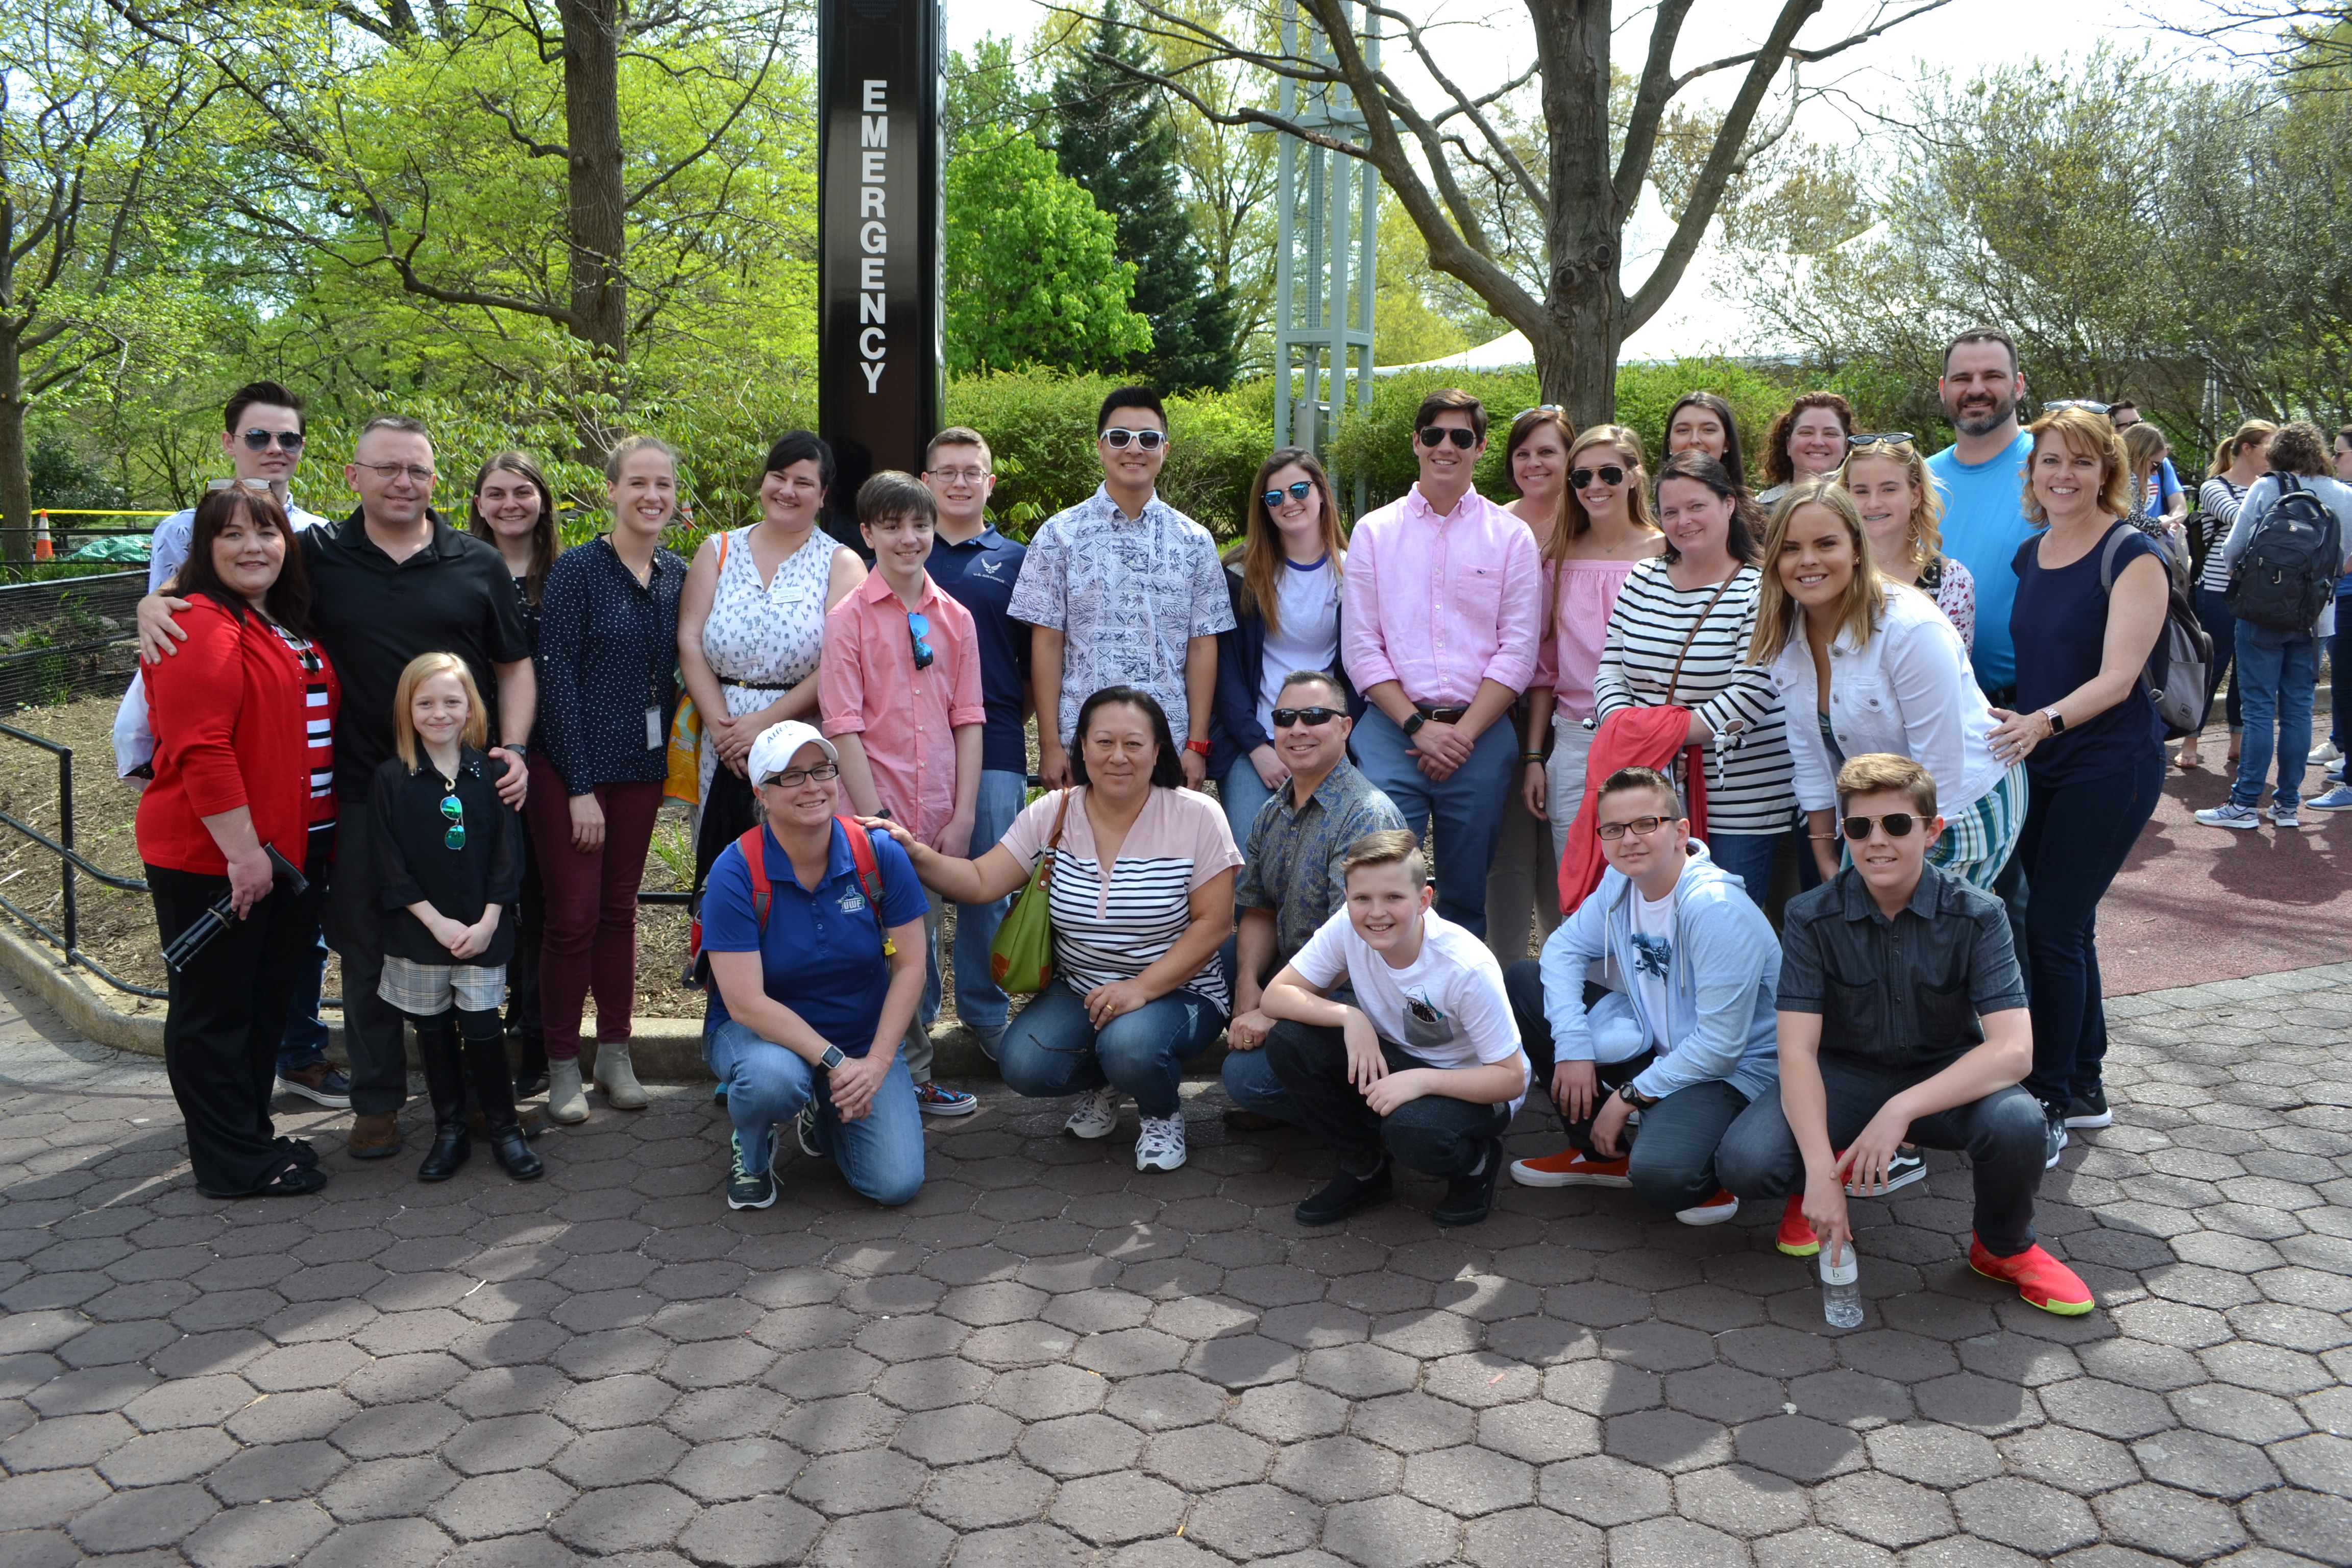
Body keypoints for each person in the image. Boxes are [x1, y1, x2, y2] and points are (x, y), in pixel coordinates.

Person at [139, 415, 535, 1162]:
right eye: (387, 468)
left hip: (463, 789)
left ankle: (480, 1100)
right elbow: (228, 573)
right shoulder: (315, 554)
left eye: (417, 470)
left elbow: (514, 665)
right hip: (356, 794)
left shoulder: (477, 561)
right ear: (354, 476)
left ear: (434, 480)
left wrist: (511, 748)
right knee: (366, 947)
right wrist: (155, 600)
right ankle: (378, 1103)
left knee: (475, 939)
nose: (403, 483)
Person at [1714, 753, 2093, 1316]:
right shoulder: (1810, 916)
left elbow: (2015, 1052)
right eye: (1858, 827)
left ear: (1932, 830)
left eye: (1896, 824)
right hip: (1844, 1075)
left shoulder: (1978, 914)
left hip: (1941, 1074)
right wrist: (1820, 1175)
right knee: (1745, 1162)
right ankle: (1817, 1184)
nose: (1877, 841)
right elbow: (1796, 1052)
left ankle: (2003, 1248)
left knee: (2020, 1124)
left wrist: (1900, 1110)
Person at [883, 687, 1239, 1173]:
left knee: (1130, 1045)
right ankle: (1108, 1082)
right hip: (1082, 990)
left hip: (1181, 990)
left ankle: (1161, 1114)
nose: (1118, 756)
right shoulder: (1055, 811)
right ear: (1083, 748)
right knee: (1024, 1063)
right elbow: (983, 880)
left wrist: (1140, 989)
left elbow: (1215, 924)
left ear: (1158, 752)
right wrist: (914, 852)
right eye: (1104, 742)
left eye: (1134, 744)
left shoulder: (1197, 815)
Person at [116, 382, 342, 1113]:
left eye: (289, 438)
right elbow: (175, 614)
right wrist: (152, 604)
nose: (275, 450)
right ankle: (232, 1137)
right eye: (259, 437)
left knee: (286, 956)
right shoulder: (188, 539)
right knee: (221, 995)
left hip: (299, 802)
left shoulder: (318, 533)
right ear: (228, 441)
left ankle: (286, 1071)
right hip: (225, 817)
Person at [137, 485, 339, 1198]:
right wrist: (243, 853)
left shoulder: (274, 618)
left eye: (267, 532)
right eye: (232, 535)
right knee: (215, 1014)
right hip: (217, 858)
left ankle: (250, 1138)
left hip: (283, 852)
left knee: (259, 1006)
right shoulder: (199, 623)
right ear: (205, 548)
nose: (253, 546)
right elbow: (202, 747)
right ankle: (231, 1166)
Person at [1989, 406, 2169, 1163]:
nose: (2064, 475)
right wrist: (2017, 717)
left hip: (2111, 765)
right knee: (2067, 926)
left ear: (2107, 472)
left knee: (2052, 929)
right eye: (2051, 461)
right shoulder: (2031, 553)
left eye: (2082, 462)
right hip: (2042, 761)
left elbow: (2119, 677)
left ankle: (2051, 1096)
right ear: (2032, 472)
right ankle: (2086, 1082)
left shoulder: (2133, 553)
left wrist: (2042, 721)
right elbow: (2040, 661)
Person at [1500, 767, 1778, 1222]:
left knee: (1663, 1177)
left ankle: (1707, 1167)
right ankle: (1598, 1155)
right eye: (1614, 829)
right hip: (1659, 1041)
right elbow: (1563, 949)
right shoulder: (1621, 882)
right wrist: (1572, 1046)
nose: (1629, 840)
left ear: (1680, 832)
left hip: (1732, 1074)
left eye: (1646, 824)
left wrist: (1628, 1097)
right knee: (1525, 981)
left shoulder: (1715, 909)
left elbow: (1720, 1048)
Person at [1753, 478, 2022, 891]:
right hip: (1879, 818)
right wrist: (1825, 854)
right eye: (1790, 548)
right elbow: (1809, 755)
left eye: (1826, 544)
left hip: (1959, 807)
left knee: (1919, 928)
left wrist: (1896, 881)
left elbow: (1940, 768)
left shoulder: (1910, 628)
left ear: (1857, 550)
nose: (1807, 560)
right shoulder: (1786, 634)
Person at [702, 722, 928, 1211]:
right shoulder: (735, 871)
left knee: (896, 1183)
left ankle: (823, 1112)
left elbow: (912, 966)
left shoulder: (878, 852)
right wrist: (836, 1063)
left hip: (860, 1038)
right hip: (763, 1038)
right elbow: (746, 1003)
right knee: (772, 1081)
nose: (812, 786)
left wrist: (875, 1066)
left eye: (821, 770)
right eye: (791, 776)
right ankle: (753, 1148)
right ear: (761, 793)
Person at [1342, 388, 1542, 936]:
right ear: (1416, 442)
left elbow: (1518, 649)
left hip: (1480, 737)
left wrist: (1460, 736)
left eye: (1461, 437)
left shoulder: (1511, 537)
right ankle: (1382, 990)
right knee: (1382, 885)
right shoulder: (1374, 532)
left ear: (1481, 447)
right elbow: (1361, 647)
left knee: (1466, 895)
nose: (1446, 447)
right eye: (1434, 435)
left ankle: (1456, 991)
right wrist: (1418, 728)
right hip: (1392, 733)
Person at [527, 436, 686, 1122]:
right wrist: (578, 786)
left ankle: (615, 1055)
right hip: (572, 771)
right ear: (612, 490)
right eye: (638, 483)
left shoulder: (678, 574)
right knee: (572, 919)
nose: (652, 495)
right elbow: (555, 678)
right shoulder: (577, 571)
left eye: (663, 485)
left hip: (642, 769)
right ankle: (562, 1063)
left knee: (620, 913)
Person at [1261, 830, 1531, 1228]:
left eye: (1393, 898)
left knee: (1411, 1130)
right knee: (1290, 1040)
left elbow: (1511, 1079)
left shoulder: (1466, 966)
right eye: (1362, 899)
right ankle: (1364, 1170)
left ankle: (1477, 1163)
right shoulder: (1348, 926)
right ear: (1347, 898)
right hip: (1399, 1060)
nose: (1376, 913)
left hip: (1474, 1084)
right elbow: (1275, 996)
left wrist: (1422, 1081)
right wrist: (1350, 1017)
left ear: (1424, 900)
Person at [819, 470, 985, 1118]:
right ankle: (890, 1076)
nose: (908, 538)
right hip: (869, 816)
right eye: (891, 527)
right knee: (872, 947)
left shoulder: (957, 618)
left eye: (919, 525)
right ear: (867, 534)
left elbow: (968, 717)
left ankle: (908, 1076)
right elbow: (842, 725)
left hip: (937, 814)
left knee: (920, 945)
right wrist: (875, 819)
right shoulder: (848, 619)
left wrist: (963, 814)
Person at [1590, 451, 1792, 904]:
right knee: (1655, 920)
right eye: (1671, 512)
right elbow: (1610, 668)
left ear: (1729, 504)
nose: (1684, 521)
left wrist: (1656, 742)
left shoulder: (1763, 589)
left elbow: (1751, 692)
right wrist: (1637, 744)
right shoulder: (1642, 578)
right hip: (1651, 794)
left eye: (1697, 506)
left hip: (1738, 801)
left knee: (1724, 920)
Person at [1010, 387, 1233, 792]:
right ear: (1100, 447)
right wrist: (1050, 745)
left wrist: (1197, 744)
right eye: (1119, 437)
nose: (1134, 449)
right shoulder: (1059, 535)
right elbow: (1047, 643)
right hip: (1082, 741)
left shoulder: (1195, 541)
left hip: (1167, 741)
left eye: (1148, 438)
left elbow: (1203, 645)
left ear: (1165, 449)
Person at [371, 654, 540, 1183]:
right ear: (407, 710)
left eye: (451, 701)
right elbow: (389, 864)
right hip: (422, 931)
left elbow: (508, 857)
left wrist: (489, 921)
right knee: (433, 1028)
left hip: (482, 929)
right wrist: (435, 922)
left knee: (484, 1025)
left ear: (471, 708)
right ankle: (450, 1131)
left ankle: (505, 1128)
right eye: (425, 703)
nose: (439, 713)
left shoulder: (493, 774)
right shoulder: (391, 779)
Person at [677, 431, 866, 894]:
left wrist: (762, 724)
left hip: (801, 737)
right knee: (722, 867)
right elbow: (690, 639)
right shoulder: (718, 549)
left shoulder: (841, 564)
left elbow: (839, 663)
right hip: (721, 738)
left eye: (803, 482)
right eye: (778, 477)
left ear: (823, 495)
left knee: (794, 867)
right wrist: (723, 731)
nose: (787, 490)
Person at [1221, 669, 1407, 1130]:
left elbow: (1355, 943)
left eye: (1315, 716)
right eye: (1285, 718)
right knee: (1214, 959)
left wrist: (1272, 1010)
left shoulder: (1366, 815)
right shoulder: (1272, 811)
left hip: (1361, 994)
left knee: (1247, 1081)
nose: (1298, 728)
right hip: (1298, 972)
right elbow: (1260, 907)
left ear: (1345, 727)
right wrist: (1248, 984)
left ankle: (1371, 1120)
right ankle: (1309, 1093)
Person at [1520, 424, 1666, 912]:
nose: (1594, 486)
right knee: (1580, 889)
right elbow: (1545, 670)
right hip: (1575, 740)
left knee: (1654, 882)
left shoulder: (1666, 552)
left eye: (1609, 473)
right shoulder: (1556, 559)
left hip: (1650, 738)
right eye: (1582, 477)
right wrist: (1535, 756)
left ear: (1634, 475)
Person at [918, 427, 1031, 1059]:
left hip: (997, 744)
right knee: (916, 890)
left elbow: (1036, 663)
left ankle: (985, 1014)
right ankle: (916, 1019)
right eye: (947, 472)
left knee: (989, 888)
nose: (959, 483)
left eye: (972, 472)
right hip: (913, 748)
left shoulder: (1019, 560)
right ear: (927, 481)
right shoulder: (904, 550)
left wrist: (1006, 716)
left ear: (990, 483)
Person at [2197, 421, 2352, 831]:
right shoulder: (2344, 495)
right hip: (2315, 618)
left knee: (2259, 708)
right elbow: (2346, 560)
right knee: (2299, 709)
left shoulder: (2268, 488)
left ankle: (2245, 803)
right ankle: (2287, 806)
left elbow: (2233, 551)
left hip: (2262, 612)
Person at [466, 452, 564, 1096]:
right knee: (488, 894)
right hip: (474, 757)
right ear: (477, 503)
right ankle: (483, 1032)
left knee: (542, 901)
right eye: (496, 493)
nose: (510, 504)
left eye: (522, 491)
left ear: (543, 500)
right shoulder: (458, 569)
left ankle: (536, 1033)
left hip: (550, 757)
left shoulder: (567, 574)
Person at [1211, 448, 1352, 852]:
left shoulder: (1352, 572)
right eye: (1275, 497)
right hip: (1257, 742)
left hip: (1327, 740)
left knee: (1327, 863)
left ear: (1321, 492)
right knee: (1251, 866)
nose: (1289, 502)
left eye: (1299, 490)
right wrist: (1257, 748)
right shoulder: (1241, 576)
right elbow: (1225, 672)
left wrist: (1341, 742)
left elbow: (1359, 669)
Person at [1485, 407, 1575, 963]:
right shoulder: (1494, 527)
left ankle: (1566, 975)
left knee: (1567, 851)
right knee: (1510, 850)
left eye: (1547, 452)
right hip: (1505, 707)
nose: (1534, 463)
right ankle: (1507, 976)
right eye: (1523, 453)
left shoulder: (1591, 525)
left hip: (1581, 710)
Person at [1926, 328, 2035, 704]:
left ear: (2018, 385)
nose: (1976, 389)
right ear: (1943, 389)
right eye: (1962, 379)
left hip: (2030, 706)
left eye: (1992, 376)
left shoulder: (2054, 469)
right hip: (1933, 703)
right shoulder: (1917, 481)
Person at [2182, 421, 2273, 773]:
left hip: (2257, 592)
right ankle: (2190, 739)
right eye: (2268, 447)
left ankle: (2237, 740)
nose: (2274, 455)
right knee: (2212, 666)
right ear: (2247, 449)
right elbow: (2241, 521)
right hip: (2219, 590)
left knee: (2247, 671)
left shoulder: (2269, 486)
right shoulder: (2214, 487)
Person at [1841, 433, 1976, 650]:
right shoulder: (1832, 573)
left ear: (1915, 496)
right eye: (1861, 491)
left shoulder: (1951, 582)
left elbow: (1952, 667)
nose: (1873, 503)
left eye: (1889, 489)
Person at [2313, 425, 2352, 805]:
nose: (2333, 460)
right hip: (2342, 597)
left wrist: (2336, 569)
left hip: (2348, 598)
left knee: (2346, 686)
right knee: (2343, 685)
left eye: (2339, 454)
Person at [1755, 393, 1852, 507]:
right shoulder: (1756, 509)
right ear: (1789, 444)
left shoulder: (1863, 508)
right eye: (1806, 432)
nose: (1818, 442)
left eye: (1830, 434)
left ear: (1845, 447)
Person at [2121, 423, 2192, 575]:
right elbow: (2130, 519)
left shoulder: (2113, 474)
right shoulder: (2127, 477)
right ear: (2139, 456)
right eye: (2155, 465)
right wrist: (2160, 524)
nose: (2155, 473)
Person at [1664, 391, 1752, 497]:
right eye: (1683, 430)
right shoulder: (1656, 508)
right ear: (1670, 444)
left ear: (1726, 443)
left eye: (1709, 430)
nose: (1695, 440)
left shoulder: (1760, 507)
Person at [2111, 401, 2187, 523]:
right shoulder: (2108, 471)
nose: (2140, 427)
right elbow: (2128, 519)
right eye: (2133, 424)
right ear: (2113, 429)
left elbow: (2180, 505)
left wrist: (2172, 524)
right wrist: (2159, 526)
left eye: (2141, 421)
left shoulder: (2162, 464)